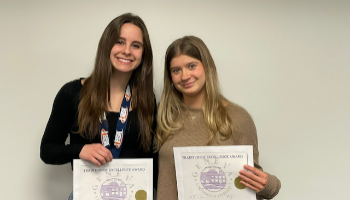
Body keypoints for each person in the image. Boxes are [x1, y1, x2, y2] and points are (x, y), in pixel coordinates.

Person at [40, 13, 157, 200]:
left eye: (136, 45)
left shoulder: (146, 99)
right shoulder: (72, 93)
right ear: (106, 46)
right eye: (119, 42)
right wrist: (80, 150)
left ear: (143, 55)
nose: (127, 50)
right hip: (87, 194)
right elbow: (47, 151)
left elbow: (153, 157)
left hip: (135, 194)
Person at [155, 36, 281, 200]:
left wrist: (270, 184)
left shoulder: (238, 118)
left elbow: (255, 180)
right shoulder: (163, 118)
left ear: (207, 67)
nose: (184, 76)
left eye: (191, 66)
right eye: (176, 70)